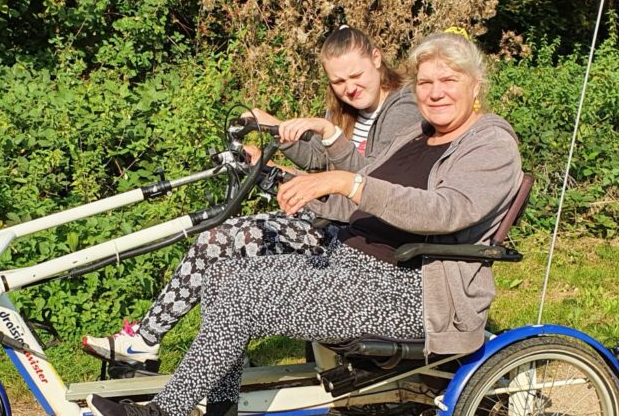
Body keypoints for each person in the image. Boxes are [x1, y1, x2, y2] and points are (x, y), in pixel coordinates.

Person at [87, 31, 524, 416]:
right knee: (223, 273)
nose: (435, 92)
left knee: (243, 294)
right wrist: (301, 178)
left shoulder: (490, 143)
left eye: (447, 80)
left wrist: (346, 183)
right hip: (350, 263)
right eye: (426, 83)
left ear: (475, 83)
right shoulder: (417, 133)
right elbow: (362, 176)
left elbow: (445, 211)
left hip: (410, 291)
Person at [81, 26, 420, 377]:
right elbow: (321, 159)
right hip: (333, 219)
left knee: (226, 239)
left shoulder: (402, 110)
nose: (349, 88)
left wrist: (294, 163)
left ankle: (160, 345)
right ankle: (177, 347)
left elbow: (372, 184)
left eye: (356, 75)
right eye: (338, 81)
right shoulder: (347, 110)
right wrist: (273, 131)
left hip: (360, 238)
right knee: (219, 234)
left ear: (377, 59)